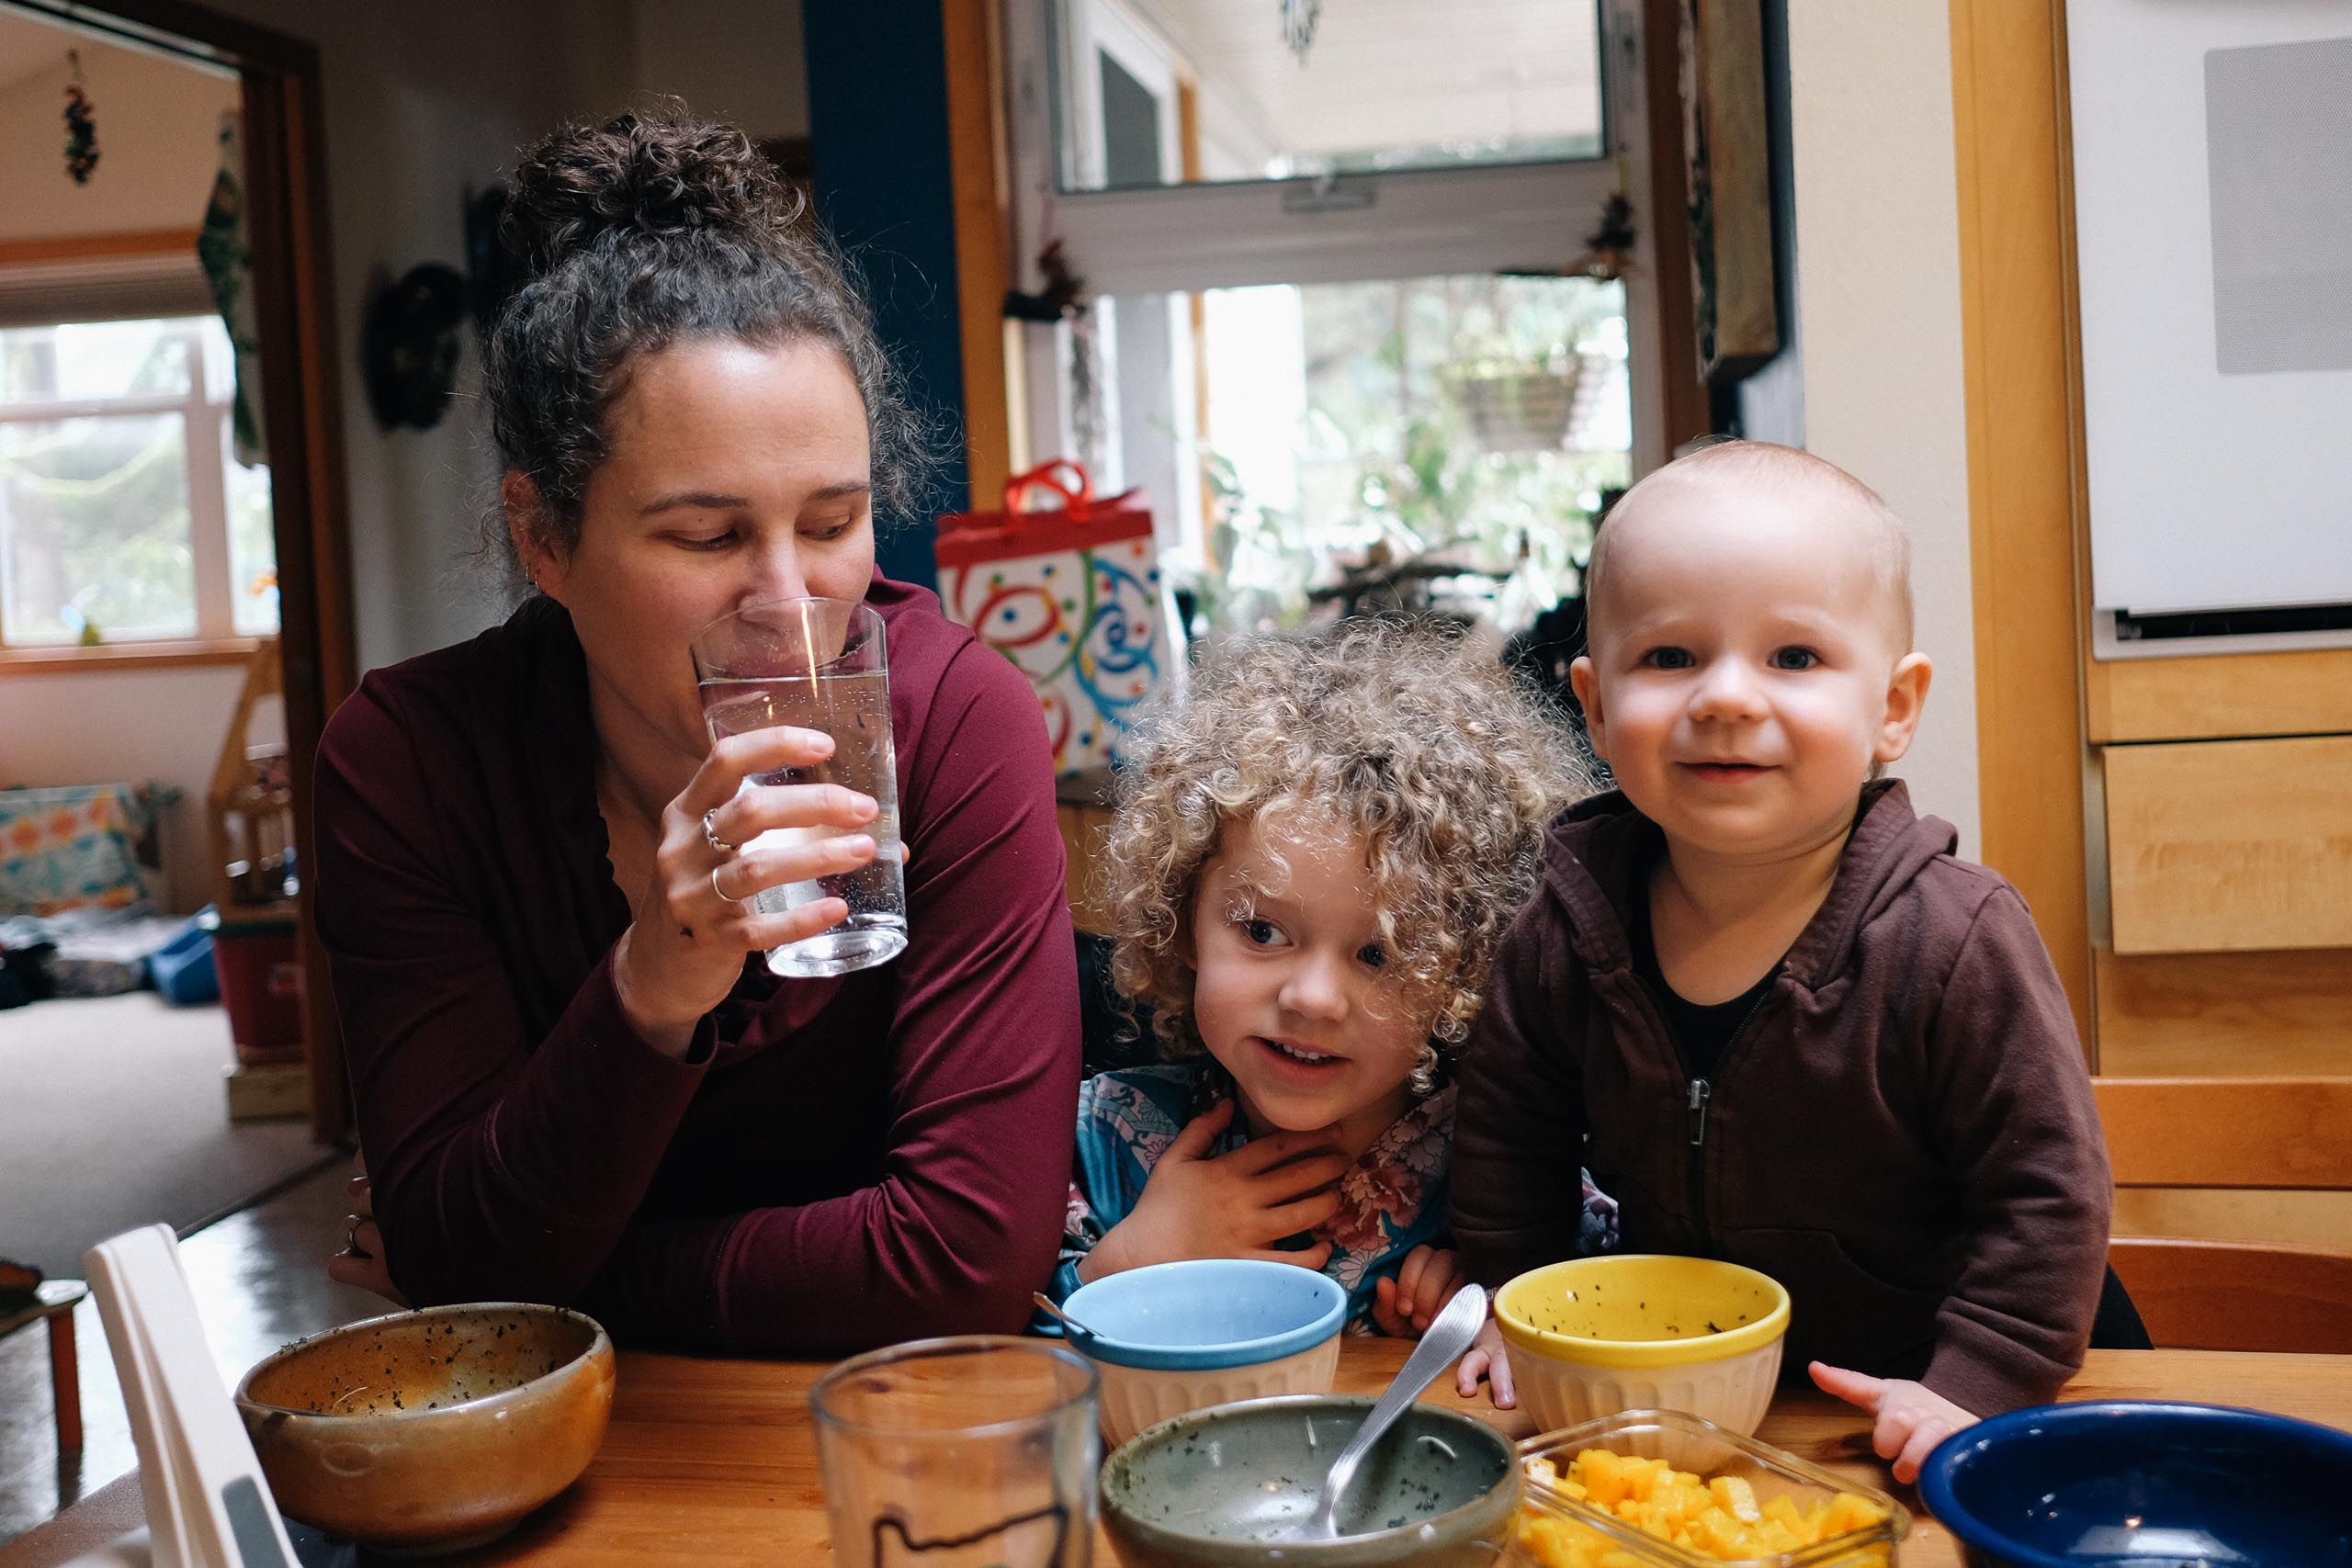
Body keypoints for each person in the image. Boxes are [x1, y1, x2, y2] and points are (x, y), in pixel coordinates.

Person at [314, 109, 1080, 1351]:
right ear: (543, 538)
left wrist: (566, 1284)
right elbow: (465, 1267)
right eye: (709, 535)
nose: (788, 601)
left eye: (832, 520)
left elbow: (964, 1263)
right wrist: (651, 984)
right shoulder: (411, 760)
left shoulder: (953, 718)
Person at [1450, 441, 2111, 1481]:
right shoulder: (1565, 926)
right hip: (1685, 1407)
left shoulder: (1957, 938)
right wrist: (1506, 1300)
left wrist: (1975, 1386)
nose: (1723, 697)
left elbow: (2047, 1194)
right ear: (1593, 706)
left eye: (1792, 658)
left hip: (1921, 1403)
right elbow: (1504, 1136)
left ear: (1892, 708)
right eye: (1669, 657)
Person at [1046, 622, 1601, 1335]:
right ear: (1184, 921)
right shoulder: (1098, 1143)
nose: (1311, 996)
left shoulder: (1508, 1172)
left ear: (1464, 968)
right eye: (1262, 931)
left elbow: (1594, 1307)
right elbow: (994, 1367)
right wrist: (1121, 1263)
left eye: (1380, 953)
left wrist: (1487, 1302)